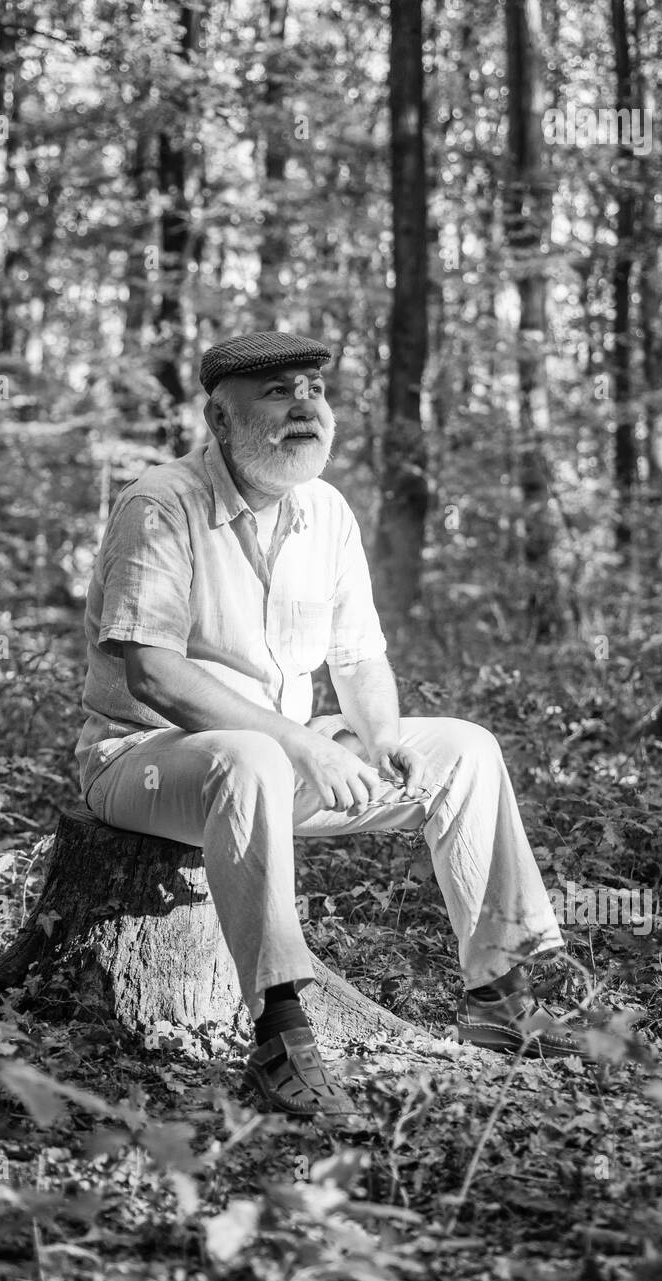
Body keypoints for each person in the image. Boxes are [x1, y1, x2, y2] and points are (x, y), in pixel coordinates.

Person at [75, 330, 595, 1116]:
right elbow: (153, 671)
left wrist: (379, 737)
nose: (305, 407)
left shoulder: (326, 511)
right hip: (146, 763)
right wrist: (302, 744)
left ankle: (501, 994)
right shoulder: (161, 505)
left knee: (464, 750)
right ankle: (283, 1038)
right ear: (220, 418)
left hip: (280, 759)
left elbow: (358, 661)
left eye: (313, 390)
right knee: (247, 758)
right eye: (278, 393)